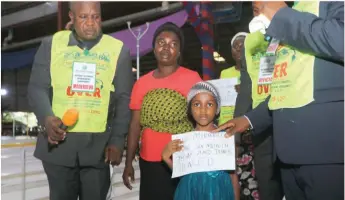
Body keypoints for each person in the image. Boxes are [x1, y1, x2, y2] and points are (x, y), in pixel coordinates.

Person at [216, 2, 344, 200]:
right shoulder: (292, 13)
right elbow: (287, 87)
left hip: (324, 149)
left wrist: (282, 15)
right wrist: (250, 119)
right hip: (286, 153)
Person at [27, 2, 134, 200]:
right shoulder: (51, 45)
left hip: (99, 150)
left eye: (96, 17)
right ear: (71, 17)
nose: (91, 23)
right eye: (83, 17)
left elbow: (123, 98)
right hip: (58, 147)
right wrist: (47, 118)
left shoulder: (118, 50)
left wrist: (118, 140)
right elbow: (37, 88)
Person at [122, 22, 202, 200]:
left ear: (180, 51)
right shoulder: (141, 83)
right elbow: (135, 125)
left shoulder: (192, 79)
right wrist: (128, 163)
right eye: (161, 42)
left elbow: (202, 119)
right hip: (149, 160)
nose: (167, 48)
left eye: (173, 44)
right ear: (154, 47)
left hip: (182, 158)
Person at [162, 81, 240, 200]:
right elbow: (183, 174)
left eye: (209, 104)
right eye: (197, 104)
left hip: (219, 192)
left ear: (217, 109)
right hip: (190, 192)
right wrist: (166, 158)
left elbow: (233, 175)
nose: (203, 110)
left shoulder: (226, 138)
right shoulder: (184, 140)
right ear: (190, 109)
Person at [220, 32, 260, 200]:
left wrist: (245, 89)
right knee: (231, 176)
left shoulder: (257, 69)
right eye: (235, 46)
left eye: (243, 44)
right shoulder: (224, 73)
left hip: (248, 129)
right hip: (227, 129)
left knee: (251, 176)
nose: (239, 48)